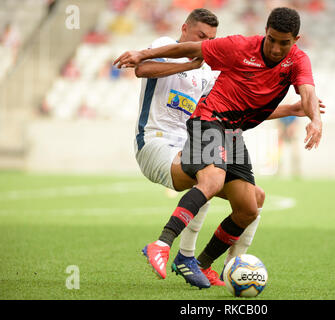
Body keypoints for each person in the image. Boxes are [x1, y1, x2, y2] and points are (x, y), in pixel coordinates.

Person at [115, 7, 322, 286]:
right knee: (211, 177)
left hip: (227, 132)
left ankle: (201, 264)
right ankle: (164, 244)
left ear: (295, 40)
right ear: (185, 28)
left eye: (284, 42)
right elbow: (147, 67)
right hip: (174, 135)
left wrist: (308, 116)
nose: (275, 48)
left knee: (252, 203)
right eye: (271, 40)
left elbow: (292, 96)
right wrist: (144, 53)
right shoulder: (198, 47)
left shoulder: (208, 74)